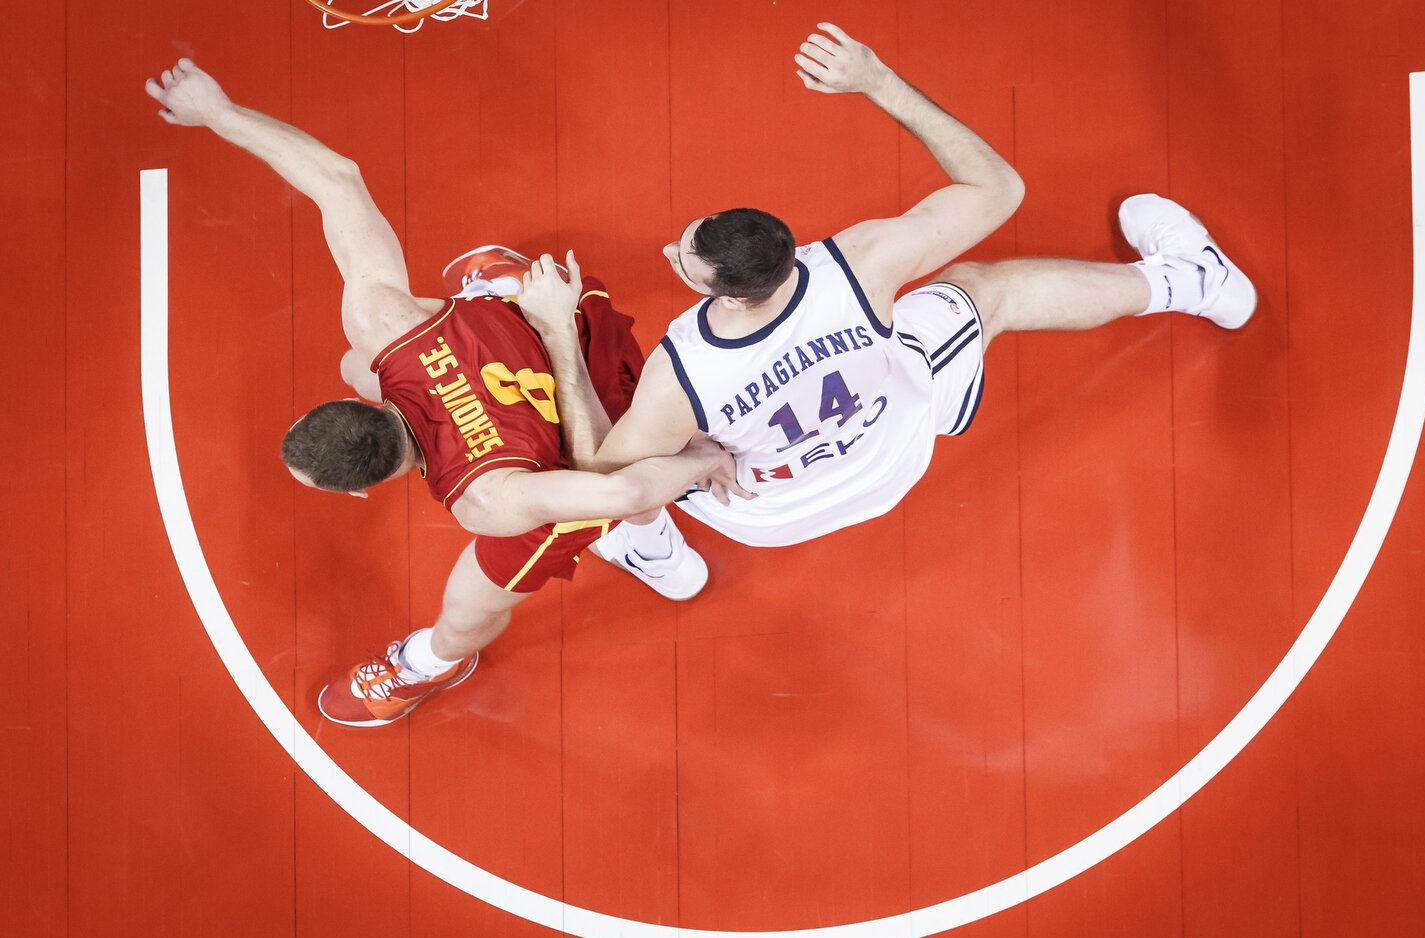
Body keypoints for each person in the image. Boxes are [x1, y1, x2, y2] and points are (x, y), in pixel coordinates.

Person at [146, 59, 747, 726]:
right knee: (361, 355)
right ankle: (497, 299)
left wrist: (703, 461)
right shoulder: (382, 324)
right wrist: (219, 112)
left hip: (593, 439)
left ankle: (442, 657)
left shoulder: (485, 502)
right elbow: (338, 182)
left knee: (470, 607)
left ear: (358, 489)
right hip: (583, 326)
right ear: (367, 407)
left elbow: (623, 486)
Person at [527, 23, 1257, 547]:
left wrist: (559, 329)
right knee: (975, 290)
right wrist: (875, 79)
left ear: (728, 294)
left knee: (614, 414)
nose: (668, 250)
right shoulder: (855, 262)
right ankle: (1189, 282)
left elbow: (598, 474)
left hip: (762, 511)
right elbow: (997, 189)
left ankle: (654, 552)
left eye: (681, 259)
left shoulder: (679, 370)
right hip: (884, 450)